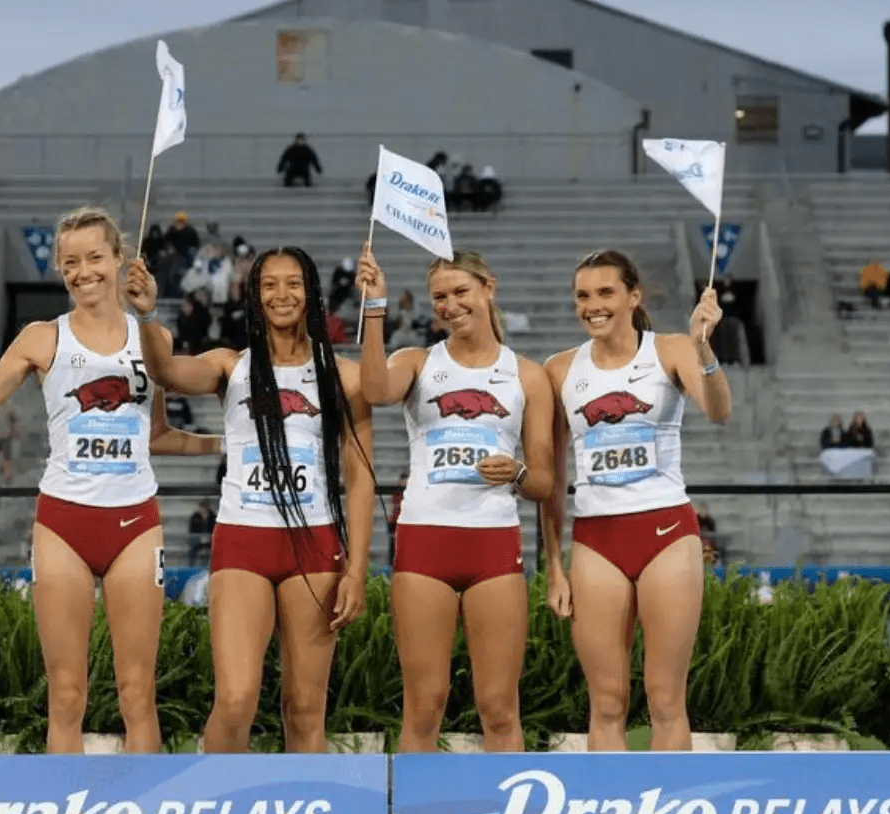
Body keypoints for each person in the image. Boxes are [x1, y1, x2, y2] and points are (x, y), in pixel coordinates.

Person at [0, 205, 221, 754]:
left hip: (135, 525)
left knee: (136, 693)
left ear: (120, 259)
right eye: (71, 262)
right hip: (63, 525)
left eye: (96, 257)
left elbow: (158, 435)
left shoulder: (154, 338)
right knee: (67, 695)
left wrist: (228, 446)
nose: (83, 271)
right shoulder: (40, 338)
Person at [132, 245, 372, 754]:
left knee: (306, 708)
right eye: (269, 285)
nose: (281, 294)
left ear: (311, 292)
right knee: (237, 699)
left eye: (292, 283)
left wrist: (356, 570)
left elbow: (362, 476)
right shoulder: (230, 366)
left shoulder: (344, 374)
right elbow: (165, 373)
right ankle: (219, 808)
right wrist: (148, 314)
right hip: (243, 540)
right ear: (254, 296)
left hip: (316, 543)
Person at [355, 247, 556, 752]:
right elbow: (375, 390)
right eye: (439, 297)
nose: (450, 305)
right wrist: (375, 307)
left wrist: (517, 472)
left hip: (493, 545)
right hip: (424, 542)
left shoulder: (527, 376)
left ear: (489, 287)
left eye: (460, 292)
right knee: (424, 704)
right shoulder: (418, 362)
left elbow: (545, 483)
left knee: (499, 707)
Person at [540, 249, 730, 751]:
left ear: (633, 296)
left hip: (666, 532)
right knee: (605, 703)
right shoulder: (559, 370)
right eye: (583, 295)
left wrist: (704, 348)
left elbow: (718, 411)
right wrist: (553, 566)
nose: (593, 305)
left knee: (666, 698)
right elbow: (553, 478)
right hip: (596, 538)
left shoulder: (670, 349)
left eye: (605, 293)